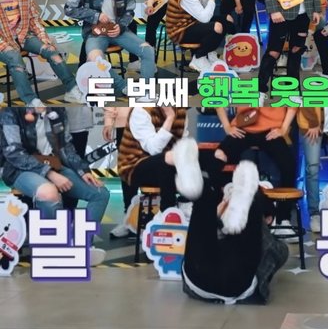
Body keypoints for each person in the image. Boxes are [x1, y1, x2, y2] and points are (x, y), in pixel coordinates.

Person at [0, 107, 110, 266]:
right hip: (19, 169)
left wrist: (83, 171)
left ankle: (80, 244)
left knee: (100, 193)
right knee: (49, 193)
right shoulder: (11, 113)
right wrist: (49, 173)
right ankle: (52, 249)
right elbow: (14, 153)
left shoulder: (58, 111)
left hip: (52, 163)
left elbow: (66, 146)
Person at [182, 161, 288, 305]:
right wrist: (219, 216)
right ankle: (205, 188)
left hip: (219, 278)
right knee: (205, 206)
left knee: (243, 208)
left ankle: (242, 200)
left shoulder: (270, 241)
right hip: (210, 274)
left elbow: (278, 252)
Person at [64, 0, 156, 98]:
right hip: (95, 34)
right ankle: (123, 87)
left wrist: (121, 25)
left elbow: (130, 11)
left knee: (148, 51)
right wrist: (96, 15)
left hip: (119, 31)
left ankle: (146, 92)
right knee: (95, 59)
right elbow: (69, 8)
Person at [0, 0, 84, 107]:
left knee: (52, 51)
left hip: (23, 35)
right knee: (15, 59)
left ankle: (72, 90)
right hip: (2, 40)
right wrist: (7, 46)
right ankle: (31, 100)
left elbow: (34, 19)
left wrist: (44, 39)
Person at [205, 107, 298, 236]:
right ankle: (216, 213)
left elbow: (293, 104)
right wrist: (227, 126)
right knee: (218, 156)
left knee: (288, 165)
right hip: (243, 128)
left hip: (270, 131)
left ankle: (283, 220)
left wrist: (283, 128)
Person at [117, 107, 203, 213]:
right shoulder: (141, 110)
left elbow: (182, 144)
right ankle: (167, 211)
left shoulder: (181, 111)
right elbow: (153, 149)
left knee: (202, 157)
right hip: (134, 165)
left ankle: (188, 204)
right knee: (166, 162)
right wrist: (170, 118)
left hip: (170, 161)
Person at [165, 0, 232, 72]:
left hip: (191, 23)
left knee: (226, 19)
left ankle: (209, 53)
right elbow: (205, 18)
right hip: (179, 31)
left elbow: (205, 10)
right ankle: (199, 57)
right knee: (217, 27)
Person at [103, 107, 133, 238]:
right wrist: (108, 121)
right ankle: (128, 220)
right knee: (126, 172)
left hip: (154, 124)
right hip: (124, 124)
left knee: (153, 172)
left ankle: (152, 219)